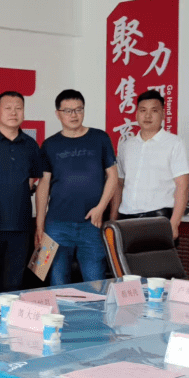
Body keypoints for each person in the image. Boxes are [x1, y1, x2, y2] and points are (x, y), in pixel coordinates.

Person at [35, 90, 117, 285]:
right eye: (68, 111)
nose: (74, 115)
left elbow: (113, 176)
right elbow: (43, 185)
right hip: (56, 225)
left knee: (95, 282)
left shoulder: (100, 138)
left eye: (78, 110)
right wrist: (39, 224)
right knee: (56, 281)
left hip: (92, 223)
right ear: (58, 114)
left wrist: (100, 208)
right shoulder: (49, 144)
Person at [0, 92, 44, 294]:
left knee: (15, 285)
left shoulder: (30, 145)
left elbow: (33, 181)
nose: (14, 112)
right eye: (8, 108)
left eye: (18, 108)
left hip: (20, 227)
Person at [111, 90, 189, 240]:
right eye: (143, 110)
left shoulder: (174, 143)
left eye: (154, 111)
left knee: (157, 257)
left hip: (158, 219)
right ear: (136, 114)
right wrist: (113, 219)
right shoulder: (126, 146)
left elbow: (183, 185)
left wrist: (174, 224)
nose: (147, 116)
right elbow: (119, 184)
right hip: (126, 219)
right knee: (124, 257)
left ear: (163, 114)